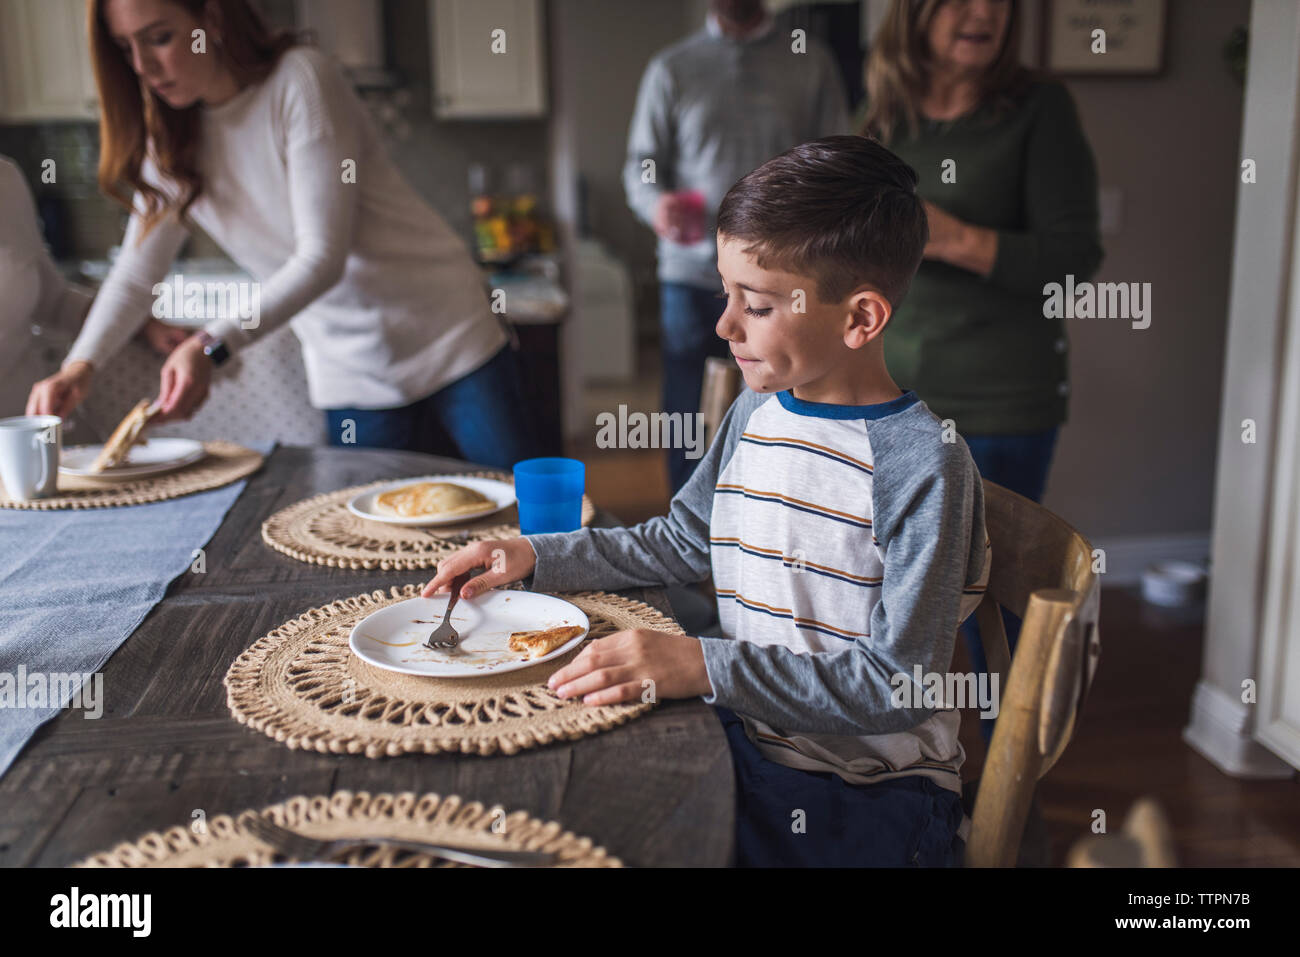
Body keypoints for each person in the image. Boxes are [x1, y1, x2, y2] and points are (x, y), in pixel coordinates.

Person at [425, 137, 991, 866]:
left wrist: (705, 663)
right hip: (742, 739)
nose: (723, 325)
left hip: (864, 793)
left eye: (753, 305)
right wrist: (533, 554)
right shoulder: (759, 412)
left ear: (860, 319)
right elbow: (681, 540)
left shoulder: (922, 464)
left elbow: (898, 685)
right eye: (724, 293)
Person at [26, 0, 538, 469]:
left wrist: (211, 345)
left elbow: (321, 257)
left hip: (450, 334)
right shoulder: (169, 138)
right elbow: (137, 277)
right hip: (350, 373)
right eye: (124, 47)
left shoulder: (301, 81)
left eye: (158, 38)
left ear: (213, 18)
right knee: (375, 549)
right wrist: (78, 367)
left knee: (537, 517)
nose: (142, 66)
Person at [861, 0, 1103, 739]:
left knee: (986, 614)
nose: (986, 11)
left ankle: (1007, 778)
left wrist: (955, 235)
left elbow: (1074, 259)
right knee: (887, 592)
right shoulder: (880, 112)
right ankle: (895, 764)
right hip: (891, 395)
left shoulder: (1038, 109)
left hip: (1001, 400)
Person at [623, 0, 849, 493]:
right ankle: (688, 532)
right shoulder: (672, 68)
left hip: (783, 279)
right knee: (687, 412)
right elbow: (642, 163)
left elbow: (837, 163)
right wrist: (656, 203)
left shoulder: (811, 60)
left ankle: (766, 515)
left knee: (781, 400)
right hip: (690, 274)